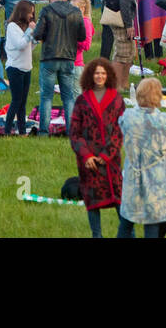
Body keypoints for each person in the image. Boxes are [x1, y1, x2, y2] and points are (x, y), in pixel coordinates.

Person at [117, 78, 166, 238]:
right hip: (156, 186)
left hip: (132, 181)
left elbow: (129, 117)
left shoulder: (128, 117)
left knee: (125, 226)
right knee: (152, 228)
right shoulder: (164, 122)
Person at [68, 59, 126, 237]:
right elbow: (75, 132)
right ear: (90, 75)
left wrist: (106, 155)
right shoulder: (81, 101)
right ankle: (97, 235)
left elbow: (120, 129)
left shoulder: (117, 100)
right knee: (92, 202)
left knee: (120, 201)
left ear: (108, 75)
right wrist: (87, 156)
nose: (99, 76)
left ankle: (126, 234)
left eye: (103, 73)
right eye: (96, 73)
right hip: (89, 162)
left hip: (111, 160)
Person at [34, 0, 86, 134]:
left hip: (49, 57)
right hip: (69, 57)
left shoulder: (47, 10)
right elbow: (82, 36)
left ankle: (44, 131)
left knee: (46, 96)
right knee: (68, 96)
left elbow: (37, 34)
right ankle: (71, 131)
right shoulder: (76, 12)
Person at [4, 0, 35, 135]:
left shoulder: (25, 28)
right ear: (22, 12)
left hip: (26, 68)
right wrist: (30, 31)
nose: (31, 16)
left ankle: (22, 131)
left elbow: (29, 47)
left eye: (33, 14)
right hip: (15, 68)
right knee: (16, 101)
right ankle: (7, 130)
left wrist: (36, 38)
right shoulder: (12, 27)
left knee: (23, 102)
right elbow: (20, 45)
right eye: (30, 13)